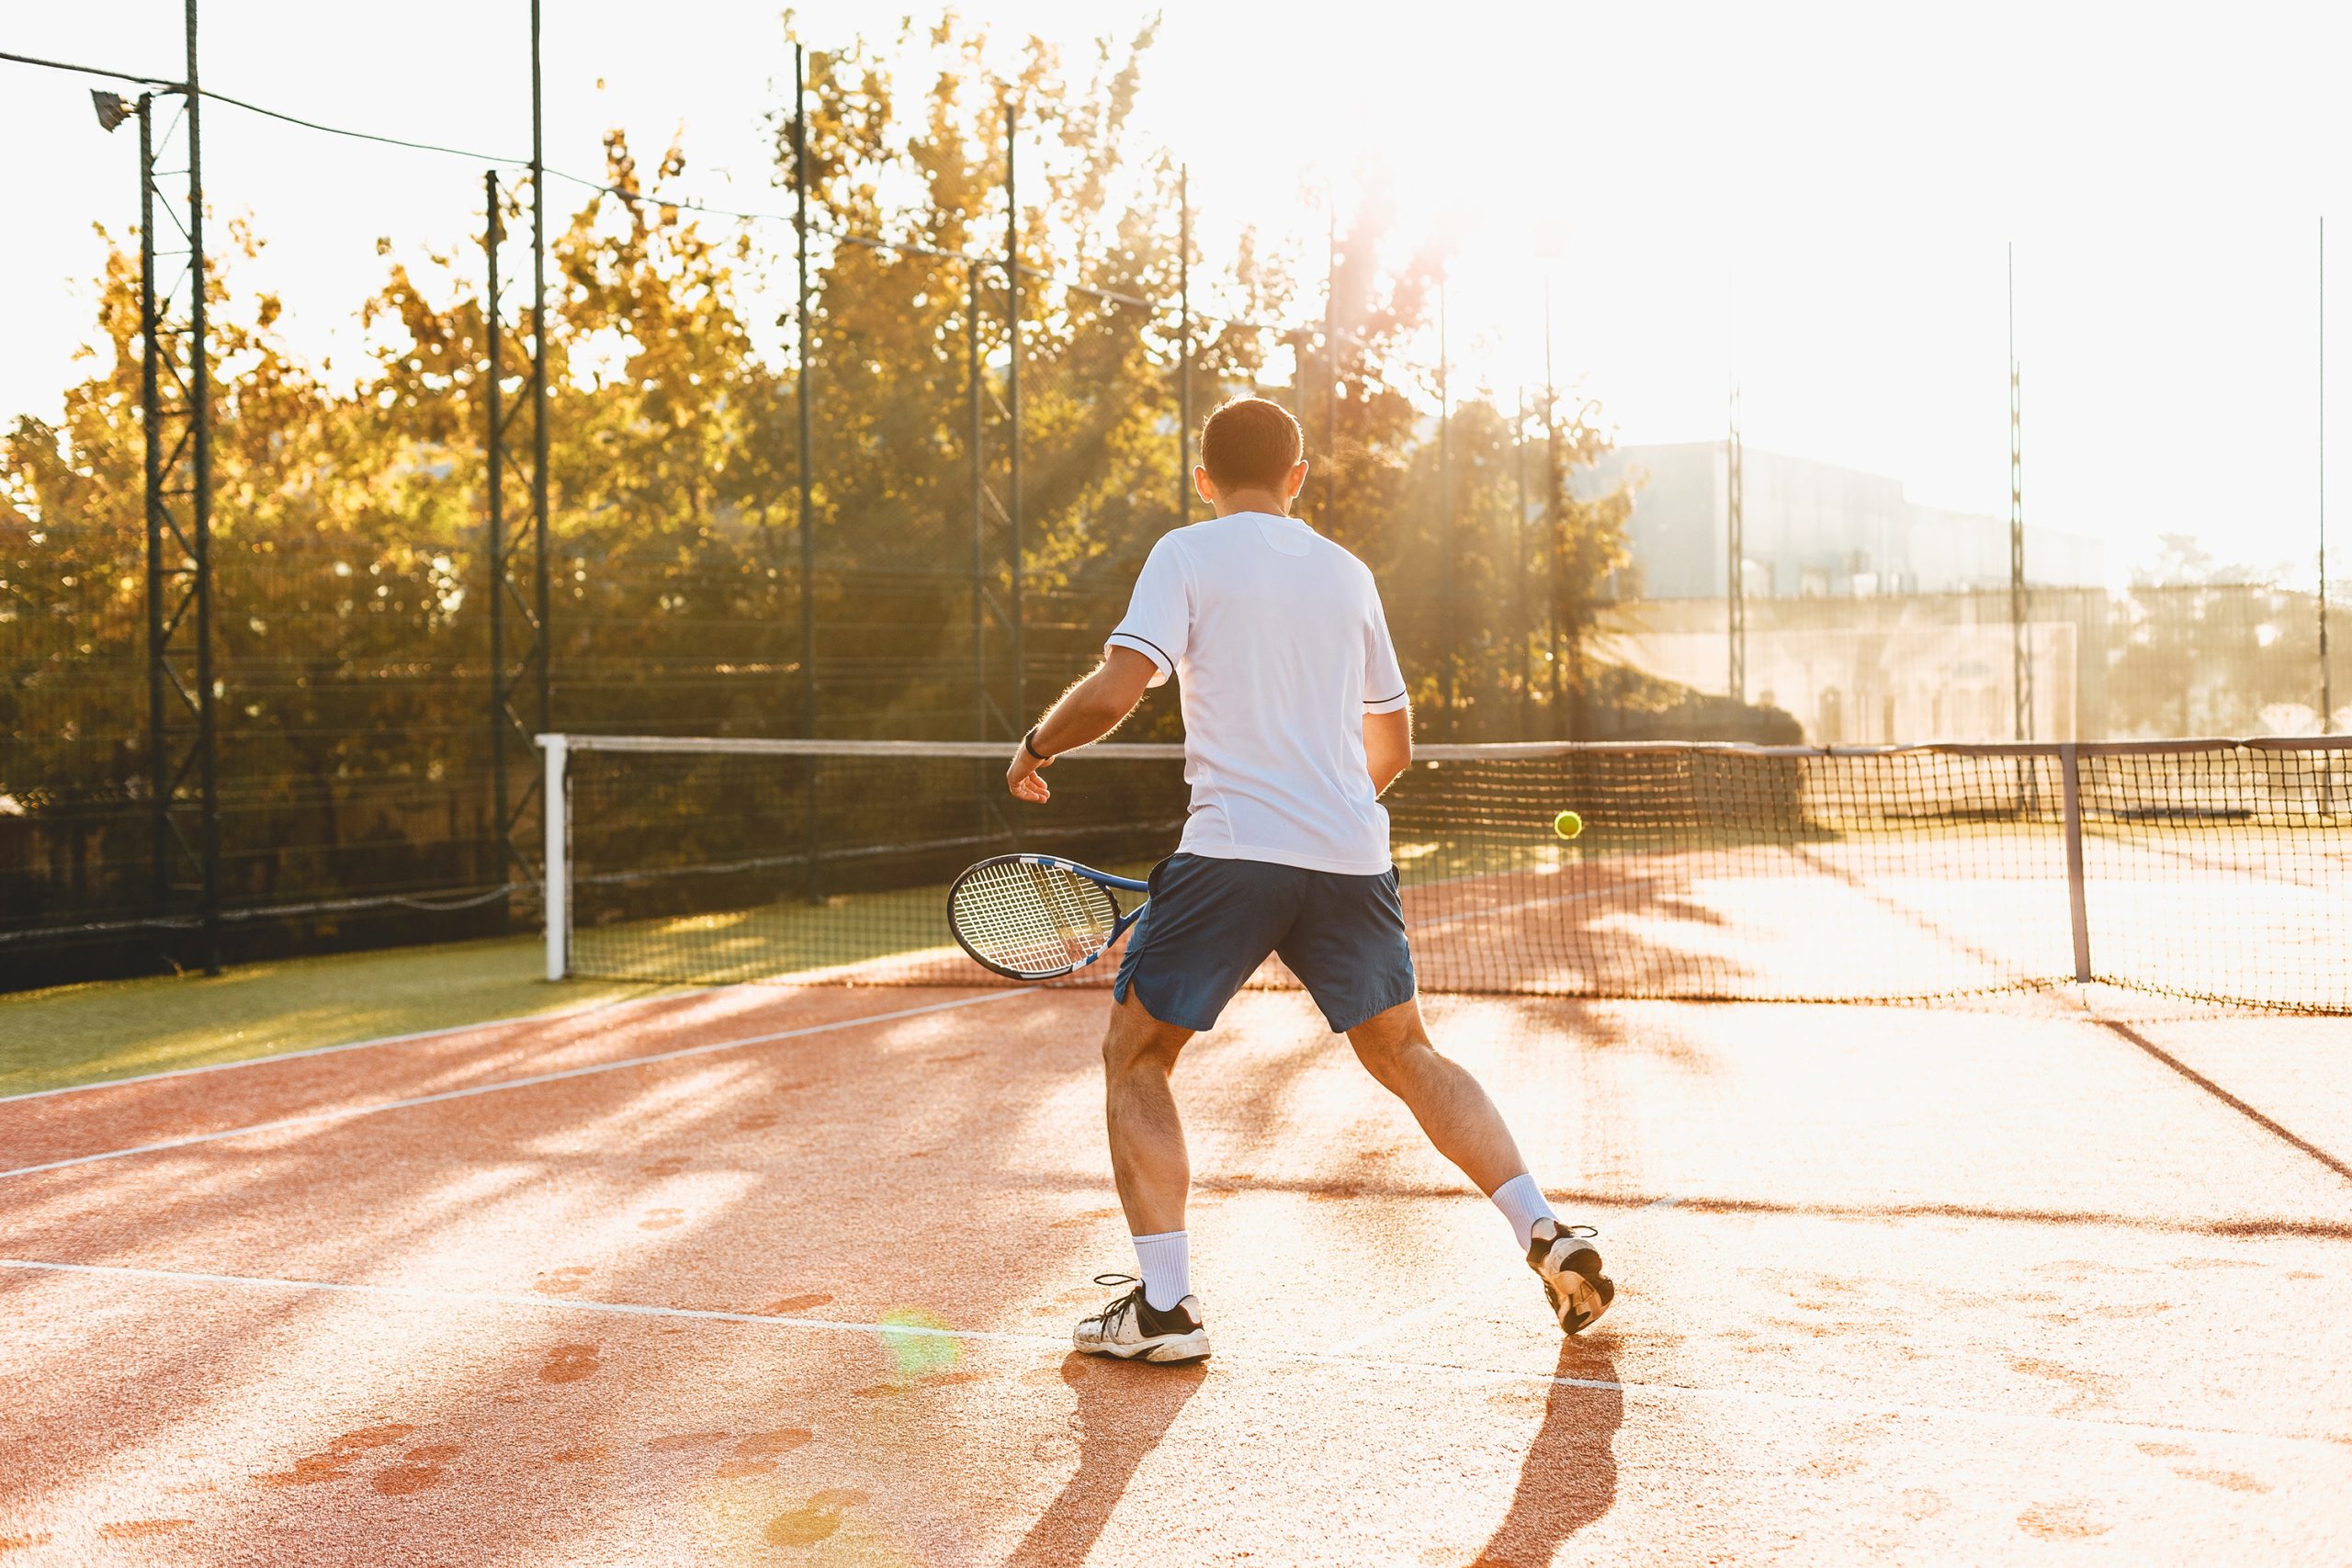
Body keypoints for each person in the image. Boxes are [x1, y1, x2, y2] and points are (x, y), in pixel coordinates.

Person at [1005, 396, 1611, 1364]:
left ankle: (1164, 1308)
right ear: (1297, 479)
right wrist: (1315, 821)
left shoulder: (1186, 552)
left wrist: (1032, 747)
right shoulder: (1348, 572)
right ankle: (1544, 1228)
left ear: (1203, 481)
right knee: (1408, 1052)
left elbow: (1120, 688)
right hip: (1350, 855)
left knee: (1138, 1055)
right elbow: (1394, 744)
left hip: (1233, 851)